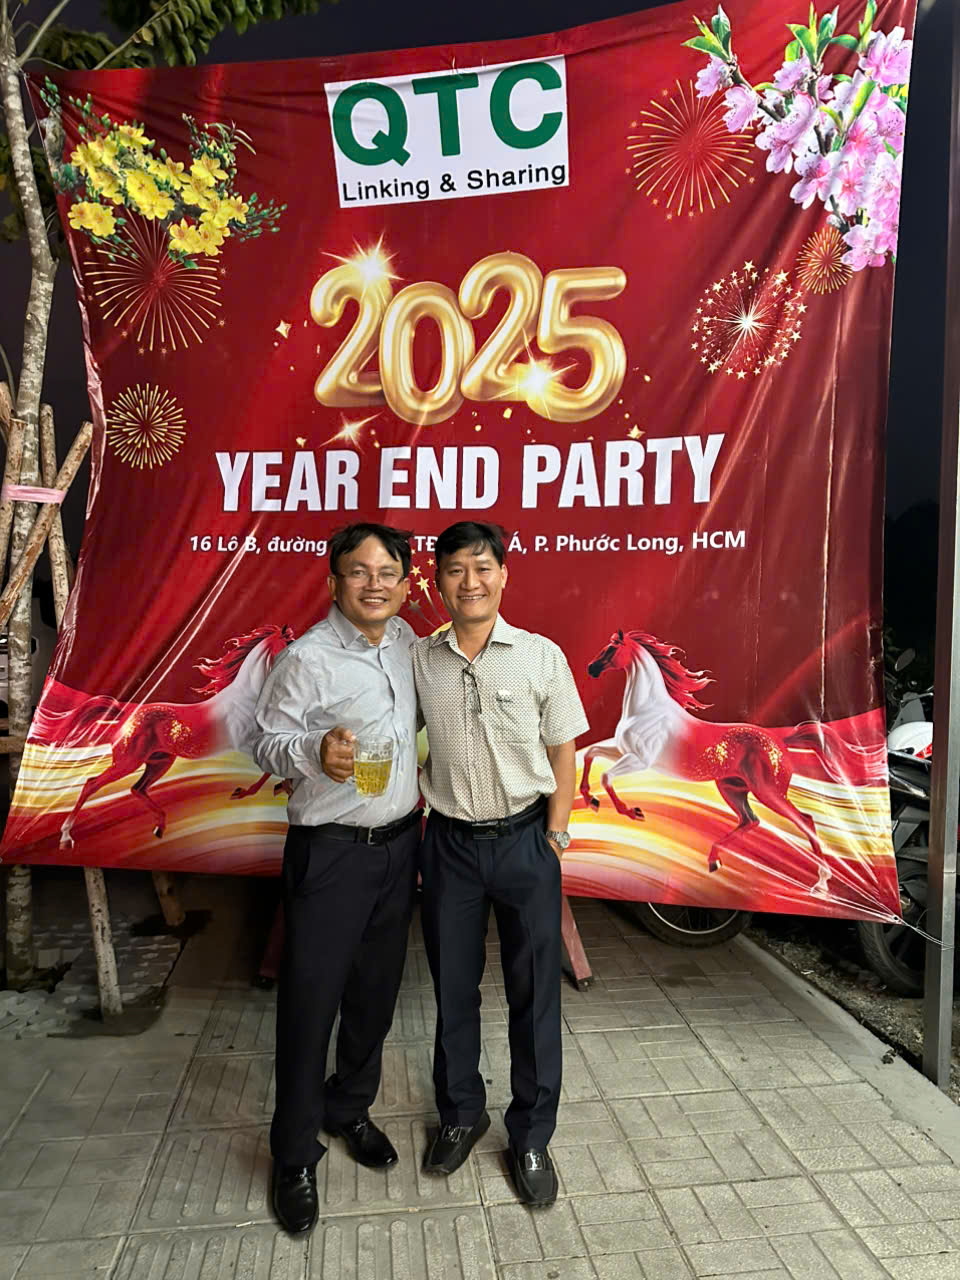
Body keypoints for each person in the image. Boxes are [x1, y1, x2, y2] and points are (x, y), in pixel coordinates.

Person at [414, 521, 589, 1208]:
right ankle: (461, 1114)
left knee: (535, 991)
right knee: (453, 989)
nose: (471, 581)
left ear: (504, 574)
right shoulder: (421, 659)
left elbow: (564, 749)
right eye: (456, 569)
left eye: (482, 567)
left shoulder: (541, 657)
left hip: (525, 842)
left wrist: (556, 834)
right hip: (450, 845)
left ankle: (532, 1135)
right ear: (438, 581)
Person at [252, 522, 421, 1235]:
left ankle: (348, 1106)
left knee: (376, 996)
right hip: (330, 853)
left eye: (387, 573)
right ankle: (294, 1154)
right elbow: (262, 741)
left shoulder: (409, 642)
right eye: (359, 571)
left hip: (400, 845)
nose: (374, 584)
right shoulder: (307, 658)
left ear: (405, 583)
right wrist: (313, 751)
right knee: (310, 1006)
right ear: (333, 581)